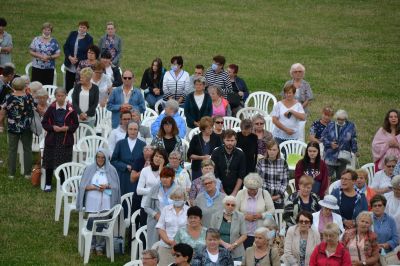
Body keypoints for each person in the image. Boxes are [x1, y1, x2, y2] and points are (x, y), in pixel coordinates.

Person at [76, 148, 121, 255]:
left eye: (102, 157)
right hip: (91, 202)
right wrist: (92, 187)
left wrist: (107, 186)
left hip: (106, 202)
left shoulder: (112, 169)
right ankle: (91, 245)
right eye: (98, 157)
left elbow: (116, 187)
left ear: (106, 158)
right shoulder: (89, 169)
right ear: (95, 158)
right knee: (91, 223)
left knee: (101, 224)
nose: (100, 159)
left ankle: (100, 247)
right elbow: (82, 186)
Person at [41, 87, 79, 191]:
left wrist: (67, 128)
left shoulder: (71, 109)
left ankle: (63, 183)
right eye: (58, 96)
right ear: (55, 96)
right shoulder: (51, 108)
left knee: (64, 162)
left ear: (66, 96)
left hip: (65, 140)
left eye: (62, 96)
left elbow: (76, 124)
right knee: (49, 161)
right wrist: (53, 127)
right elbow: (44, 123)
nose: (60, 98)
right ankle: (48, 183)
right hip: (52, 139)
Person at [0, 78, 34, 179]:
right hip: (26, 127)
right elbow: (33, 109)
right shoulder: (28, 97)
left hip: (12, 127)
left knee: (12, 150)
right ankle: (28, 173)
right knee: (27, 149)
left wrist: (1, 123)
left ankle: (11, 173)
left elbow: (2, 112)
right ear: (24, 86)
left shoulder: (8, 97)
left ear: (13, 86)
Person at [110, 121, 146, 207]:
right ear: (127, 130)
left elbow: (145, 160)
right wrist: (125, 166)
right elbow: (113, 160)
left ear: (138, 131)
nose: (133, 131)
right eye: (130, 129)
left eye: (135, 129)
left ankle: (134, 219)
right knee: (123, 198)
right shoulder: (120, 143)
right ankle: (122, 218)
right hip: (123, 176)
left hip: (137, 177)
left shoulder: (143, 144)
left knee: (135, 198)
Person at [235, 173, 275, 248]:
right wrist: (245, 216)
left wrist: (261, 215)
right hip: (243, 233)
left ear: (258, 187)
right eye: (250, 189)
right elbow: (234, 211)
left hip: (261, 234)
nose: (252, 191)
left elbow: (272, 210)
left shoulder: (264, 193)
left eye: (254, 189)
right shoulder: (241, 193)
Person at [156, 186, 189, 266]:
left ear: (184, 198)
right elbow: (160, 228)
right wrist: (169, 242)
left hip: (183, 247)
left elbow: (190, 228)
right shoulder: (166, 209)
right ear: (172, 198)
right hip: (166, 245)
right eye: (175, 197)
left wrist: (178, 244)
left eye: (179, 197)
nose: (177, 199)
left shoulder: (189, 210)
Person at [144, 167, 177, 247]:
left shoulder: (177, 189)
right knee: (154, 246)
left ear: (172, 178)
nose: (164, 179)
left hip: (171, 222)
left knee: (169, 245)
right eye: (162, 177)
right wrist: (155, 214)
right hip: (155, 221)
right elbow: (146, 207)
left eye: (167, 177)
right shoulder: (155, 188)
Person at [322, 109, 359, 181]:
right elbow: (323, 137)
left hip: (343, 155)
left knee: (341, 176)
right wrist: (330, 144)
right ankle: (326, 191)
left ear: (345, 118)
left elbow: (353, 139)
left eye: (342, 119)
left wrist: (355, 150)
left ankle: (339, 190)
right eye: (338, 119)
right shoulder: (330, 125)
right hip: (331, 155)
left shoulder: (350, 126)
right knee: (327, 176)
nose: (340, 121)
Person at [137, 148, 168, 226]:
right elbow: (139, 190)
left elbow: (164, 188)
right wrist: (153, 191)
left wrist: (161, 170)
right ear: (153, 157)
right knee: (144, 232)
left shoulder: (167, 172)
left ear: (164, 160)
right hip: (146, 205)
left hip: (161, 207)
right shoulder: (145, 170)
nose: (158, 159)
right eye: (156, 156)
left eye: (161, 157)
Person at [210, 195, 247, 261]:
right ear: (224, 205)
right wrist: (224, 244)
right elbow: (212, 234)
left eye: (233, 205)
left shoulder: (240, 216)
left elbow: (244, 235)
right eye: (228, 204)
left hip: (236, 252)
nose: (230, 206)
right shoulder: (215, 216)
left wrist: (234, 245)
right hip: (218, 250)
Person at [211, 129, 246, 196]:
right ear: (223, 140)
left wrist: (234, 193)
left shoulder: (240, 154)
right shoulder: (216, 153)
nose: (230, 143)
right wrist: (222, 192)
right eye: (227, 140)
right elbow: (215, 174)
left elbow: (241, 175)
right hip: (219, 188)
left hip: (236, 189)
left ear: (235, 141)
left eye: (232, 140)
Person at [256, 140, 289, 209]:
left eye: (274, 150)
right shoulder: (261, 162)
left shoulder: (283, 163)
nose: (272, 152)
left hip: (278, 197)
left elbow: (285, 182)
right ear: (267, 150)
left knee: (277, 217)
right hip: (263, 197)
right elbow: (257, 181)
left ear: (278, 151)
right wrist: (264, 196)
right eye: (270, 149)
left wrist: (278, 196)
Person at [187, 116, 222, 180]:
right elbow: (189, 155)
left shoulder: (216, 138)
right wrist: (202, 157)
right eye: (209, 128)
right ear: (203, 129)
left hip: (212, 168)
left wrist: (212, 157)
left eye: (212, 127)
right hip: (198, 167)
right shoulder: (195, 138)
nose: (211, 129)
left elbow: (220, 152)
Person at [63, 21, 93, 92]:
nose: (82, 29)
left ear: (87, 29)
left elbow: (88, 53)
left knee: (79, 86)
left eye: (84, 27)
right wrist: (70, 57)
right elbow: (66, 47)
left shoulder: (89, 39)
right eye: (80, 27)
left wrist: (77, 60)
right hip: (70, 64)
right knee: (68, 85)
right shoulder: (72, 34)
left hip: (81, 66)